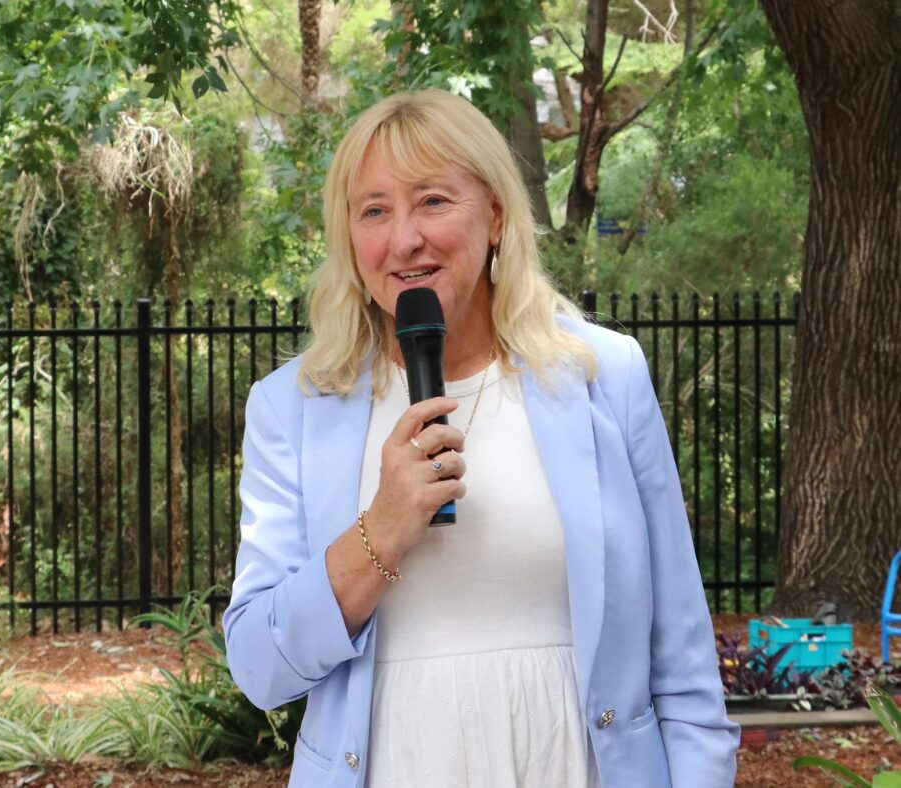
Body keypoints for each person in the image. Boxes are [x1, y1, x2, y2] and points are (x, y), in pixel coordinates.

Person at [222, 88, 739, 787]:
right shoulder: (293, 407)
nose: (405, 238)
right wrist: (379, 531)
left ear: (495, 214)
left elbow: (681, 656)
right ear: (350, 239)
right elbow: (260, 667)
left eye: (433, 200)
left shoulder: (601, 376)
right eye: (375, 211)